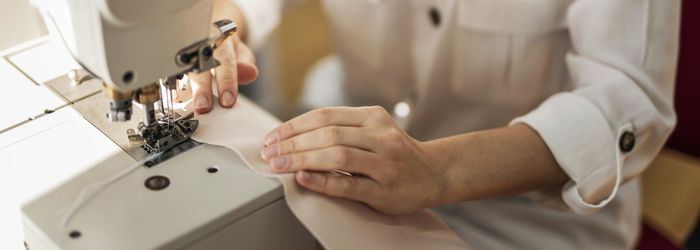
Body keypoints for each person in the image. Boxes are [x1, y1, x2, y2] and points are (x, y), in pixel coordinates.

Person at [190, 0, 681, 249]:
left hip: (522, 216)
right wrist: (222, 24)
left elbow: (626, 100)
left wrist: (437, 170)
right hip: (341, 166)